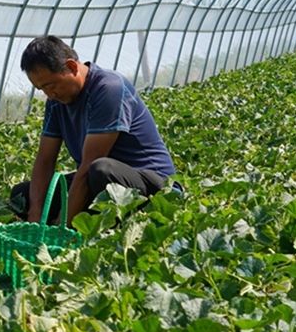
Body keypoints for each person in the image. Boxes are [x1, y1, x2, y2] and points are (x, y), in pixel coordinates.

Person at [9, 35, 179, 226]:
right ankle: (81, 222)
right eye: (41, 89)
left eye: (51, 85)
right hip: (97, 182)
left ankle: (92, 228)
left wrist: (63, 224)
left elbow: (90, 163)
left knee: (100, 170)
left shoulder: (108, 89)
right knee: (23, 194)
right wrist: (35, 214)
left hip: (154, 186)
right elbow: (45, 160)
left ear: (72, 67)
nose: (49, 94)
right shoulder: (55, 103)